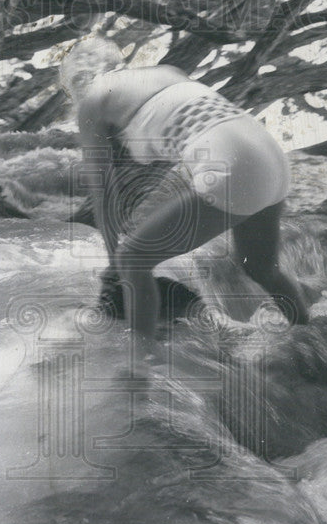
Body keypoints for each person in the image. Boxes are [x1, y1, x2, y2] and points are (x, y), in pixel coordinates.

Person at [60, 37, 310, 374]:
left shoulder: (92, 101)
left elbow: (103, 192)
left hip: (231, 162)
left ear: (76, 83)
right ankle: (314, 340)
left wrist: (116, 264)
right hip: (270, 157)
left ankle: (142, 369)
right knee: (261, 267)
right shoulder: (164, 73)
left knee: (133, 258)